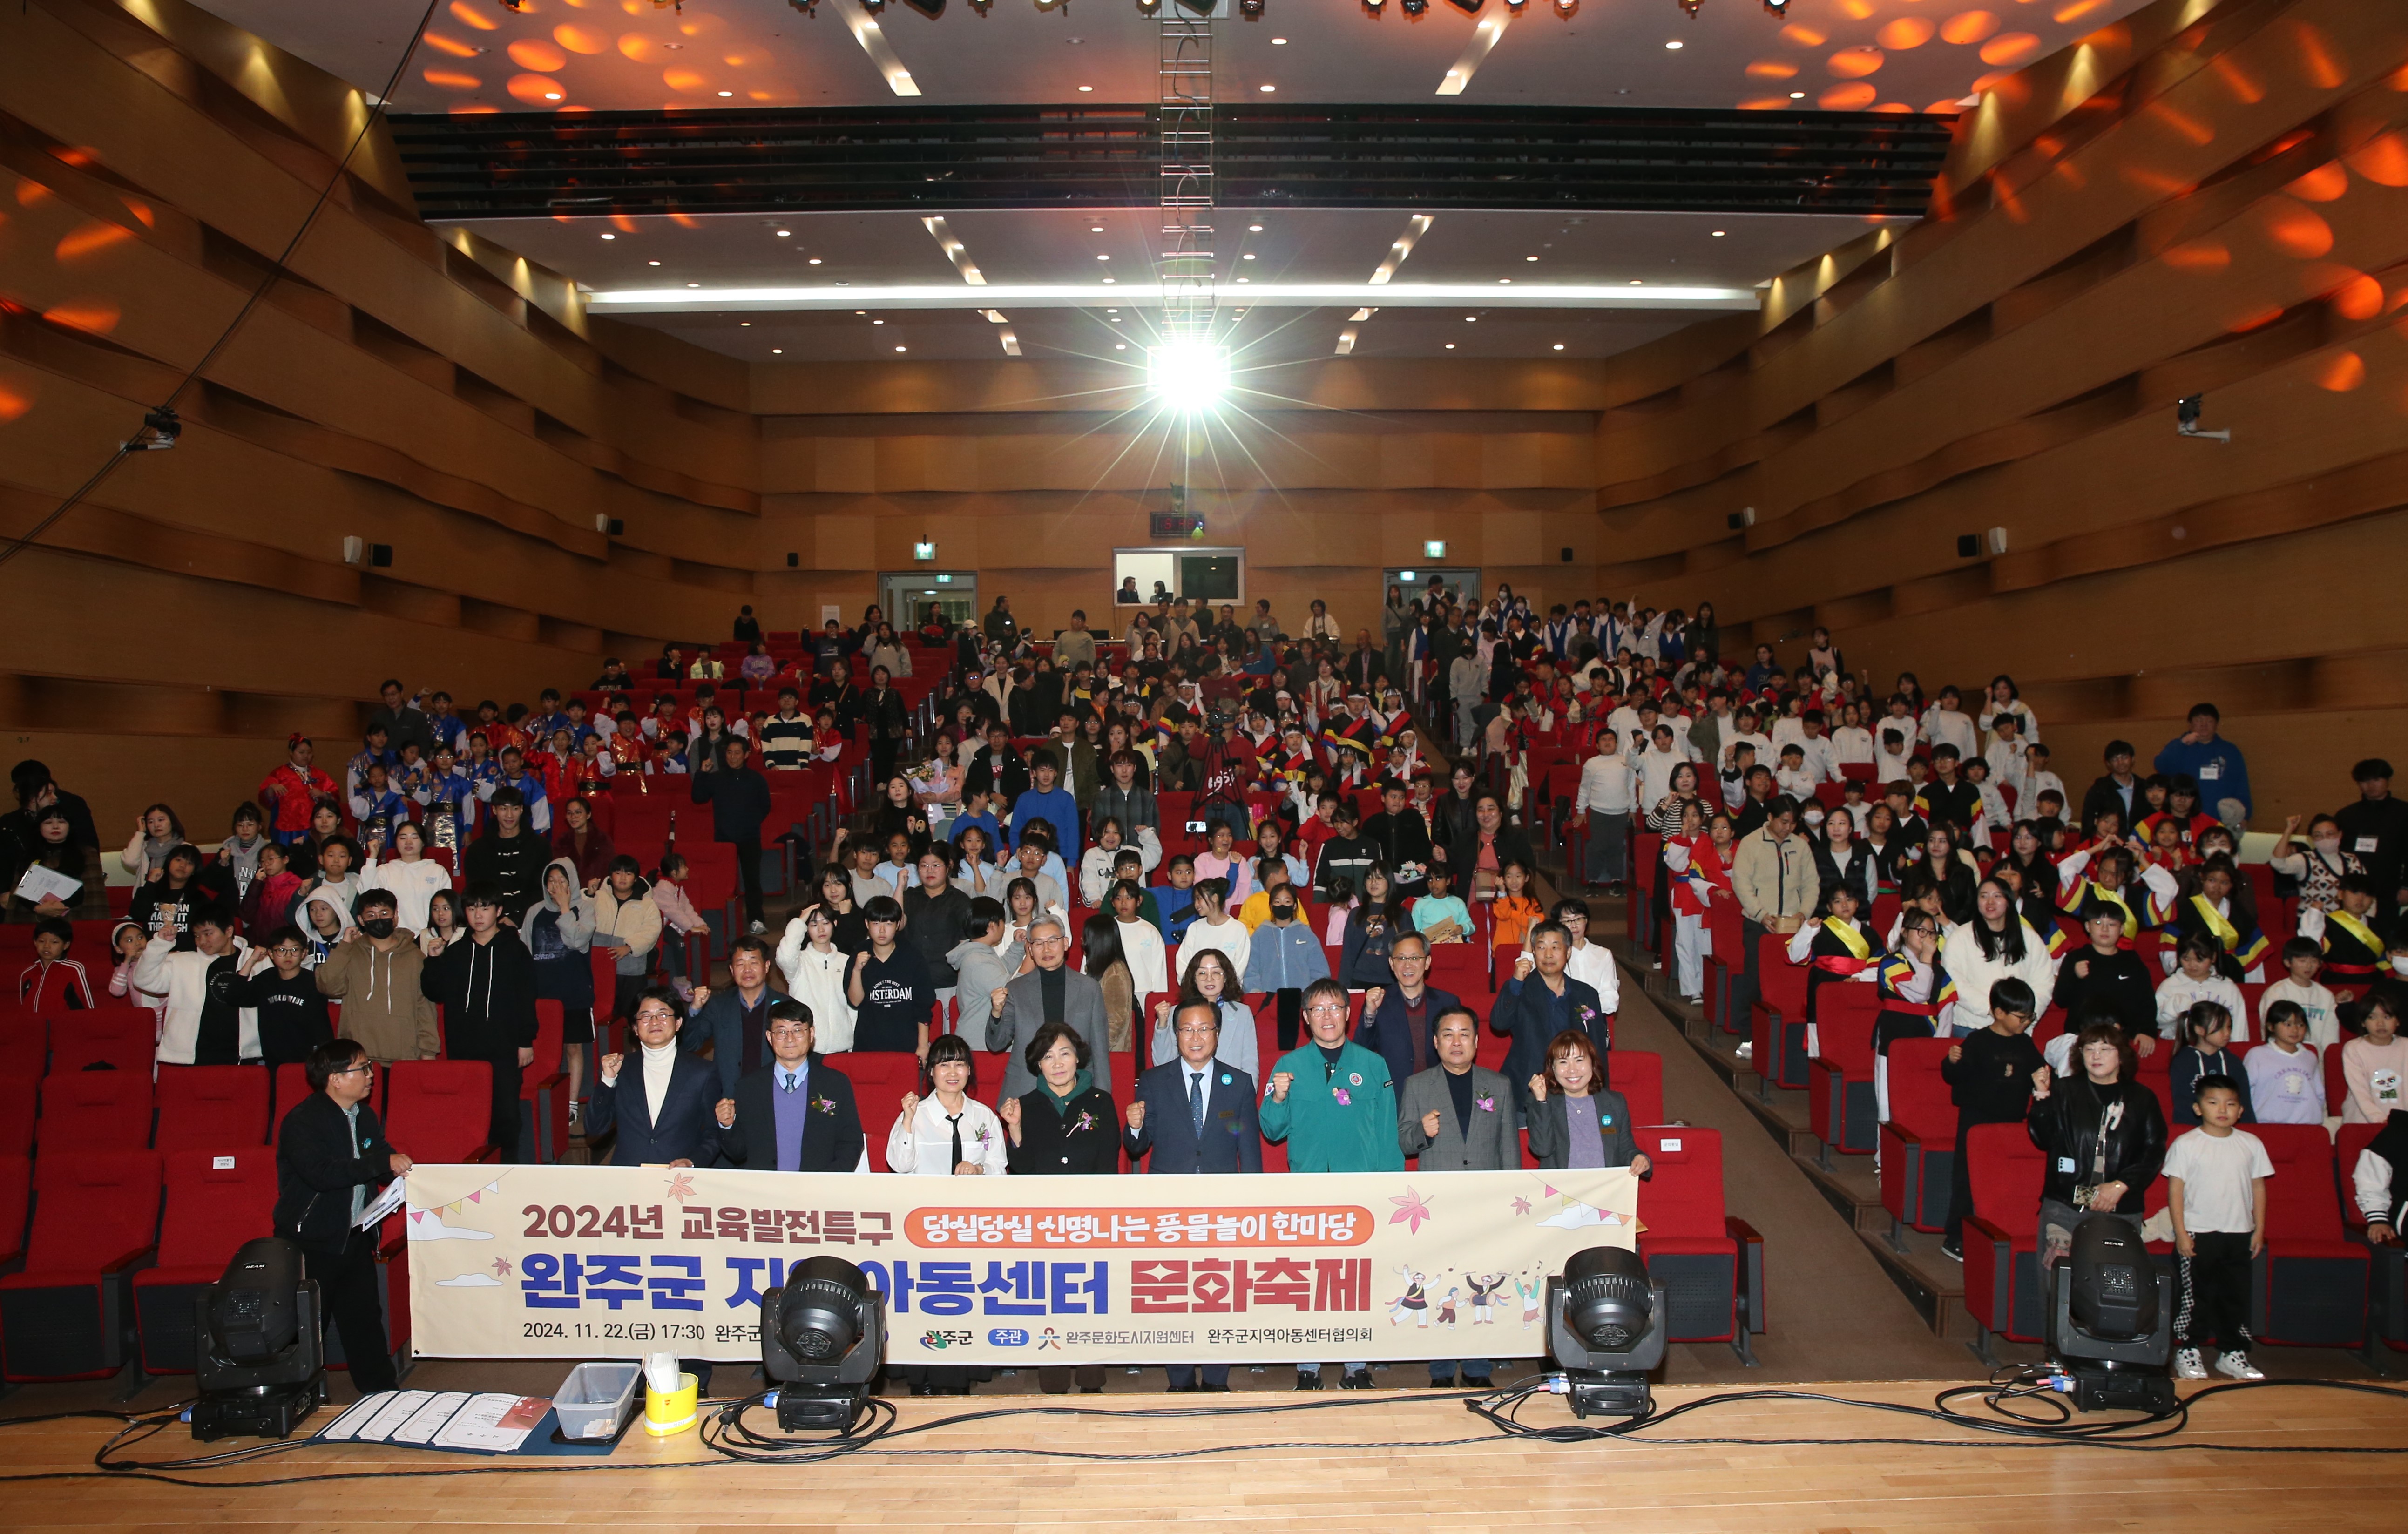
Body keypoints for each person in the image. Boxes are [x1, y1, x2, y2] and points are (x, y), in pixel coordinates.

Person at [1260, 978, 1401, 1390]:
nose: (1327, 1016)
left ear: (1348, 1013)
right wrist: (1279, 1097)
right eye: (1318, 1009)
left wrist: (1388, 1194)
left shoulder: (1373, 1065)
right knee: (1310, 1281)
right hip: (1308, 1193)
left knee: (1356, 1281)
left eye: (1334, 1007)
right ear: (1305, 1018)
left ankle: (1357, 1367)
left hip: (1360, 1193)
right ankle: (1308, 1367)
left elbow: (1388, 1133)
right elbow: (1271, 1130)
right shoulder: (1287, 1066)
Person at [273, 1039, 410, 1394]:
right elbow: (323, 1174)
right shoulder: (303, 1121)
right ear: (335, 1078)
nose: (370, 1075)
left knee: (364, 1320)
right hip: (311, 1241)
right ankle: (293, 1397)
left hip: (354, 1237)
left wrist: (400, 1168)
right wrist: (381, 1163)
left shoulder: (364, 1115)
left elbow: (378, 1155)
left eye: (369, 1067)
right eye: (362, 1068)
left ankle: (381, 1394)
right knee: (306, 1325)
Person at [1395, 1006, 1514, 1387]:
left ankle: (1479, 1369)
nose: (1457, 1042)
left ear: (1477, 1041)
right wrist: (1421, 1132)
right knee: (1444, 1286)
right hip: (1439, 1206)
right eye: (1448, 1034)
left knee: (1482, 1288)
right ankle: (1442, 1370)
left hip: (1485, 1206)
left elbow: (1509, 1151)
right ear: (1435, 1042)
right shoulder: (1418, 1085)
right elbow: (1403, 1140)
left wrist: (1509, 1205)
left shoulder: (1499, 1085)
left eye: (1465, 1034)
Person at [2028, 1018, 2168, 1267]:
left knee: (2113, 1286)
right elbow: (2043, 1139)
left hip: (2122, 1206)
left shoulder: (2142, 1098)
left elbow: (2153, 1152)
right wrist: (2041, 1098)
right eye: (2089, 1049)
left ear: (2122, 1055)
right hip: (2066, 1205)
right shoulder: (2064, 1090)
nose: (2096, 1055)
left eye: (2105, 1049)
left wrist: (2119, 1187)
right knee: (2058, 1287)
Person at [418, 881, 538, 1162]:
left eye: (485, 908)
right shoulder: (457, 952)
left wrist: (525, 1041)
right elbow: (434, 993)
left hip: (505, 1048)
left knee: (506, 1116)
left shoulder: (516, 950)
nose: (478, 915)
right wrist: (433, 961)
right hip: (464, 1048)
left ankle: (507, 1172)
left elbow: (526, 998)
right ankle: (471, 1176)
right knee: (468, 1114)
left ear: (498, 911)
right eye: (472, 908)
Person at [2163, 1074, 2272, 1380]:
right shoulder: (2187, 1144)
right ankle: (2188, 1348)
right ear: (2199, 1108)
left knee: (2234, 1294)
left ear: (2240, 1110)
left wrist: (2259, 1229)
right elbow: (2176, 1192)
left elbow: (2259, 1188)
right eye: (2213, 1102)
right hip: (2198, 1233)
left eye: (2231, 1103)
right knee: (2193, 1296)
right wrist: (2181, 1232)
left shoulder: (2251, 1143)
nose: (2222, 1109)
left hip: (2239, 1233)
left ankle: (2232, 1352)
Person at [1937, 977, 2047, 1262]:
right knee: (1967, 1179)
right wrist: (1951, 1061)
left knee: (2001, 1183)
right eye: (2022, 1017)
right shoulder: (1978, 1040)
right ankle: (1956, 1236)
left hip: (2011, 1122)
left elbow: (2041, 1075)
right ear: (1999, 1012)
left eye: (2030, 1017)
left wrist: (2044, 1080)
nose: (2026, 1022)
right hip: (1977, 1121)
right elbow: (1953, 1076)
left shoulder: (2026, 1044)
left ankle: (1995, 1232)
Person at [714, 998, 865, 1172]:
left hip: (818, 1190)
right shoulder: (749, 1087)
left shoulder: (835, 1083)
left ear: (812, 1034)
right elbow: (738, 1153)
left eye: (798, 1030)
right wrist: (727, 1125)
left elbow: (851, 1141)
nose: (790, 1039)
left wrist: (828, 1181)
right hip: (765, 1191)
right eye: (782, 1032)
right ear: (770, 1037)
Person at [588, 986, 723, 1168]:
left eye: (663, 1015)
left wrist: (692, 1162)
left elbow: (714, 1132)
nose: (654, 1022)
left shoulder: (702, 1072)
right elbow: (595, 1128)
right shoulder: (621, 1069)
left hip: (677, 1180)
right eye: (645, 1016)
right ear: (635, 1028)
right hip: (629, 1178)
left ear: (678, 1023)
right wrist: (608, 1081)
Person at [986, 915, 1110, 1101]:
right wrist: (996, 1013)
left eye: (1053, 941)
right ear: (1030, 949)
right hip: (1027, 1090)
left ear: (1066, 943)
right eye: (1038, 943)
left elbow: (1100, 1051)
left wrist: (1102, 1098)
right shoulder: (1016, 989)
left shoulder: (1089, 988)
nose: (1047, 949)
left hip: (1078, 1088)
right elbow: (996, 1044)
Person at [1494, 921, 1608, 1114]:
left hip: (1576, 1087)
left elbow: (1597, 1047)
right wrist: (1515, 983)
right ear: (1534, 953)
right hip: (1528, 1088)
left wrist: (1601, 1093)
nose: (1548, 955)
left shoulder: (1587, 994)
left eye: (1555, 947)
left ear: (1568, 952)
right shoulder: (1519, 989)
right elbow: (1499, 1023)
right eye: (1541, 947)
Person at [312, 890, 437, 1063]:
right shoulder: (350, 952)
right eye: (371, 915)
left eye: (385, 913)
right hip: (359, 1056)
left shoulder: (415, 957)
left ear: (395, 917)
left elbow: (424, 1007)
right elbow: (329, 987)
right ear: (361, 920)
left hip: (404, 1056)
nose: (379, 919)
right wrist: (344, 945)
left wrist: (428, 1051)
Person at [1525, 1028, 1653, 1177]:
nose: (1572, 1070)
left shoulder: (1614, 1102)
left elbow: (1625, 1149)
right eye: (1563, 1062)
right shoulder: (1542, 1103)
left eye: (1579, 1060)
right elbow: (1542, 1149)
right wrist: (1542, 1101)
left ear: (1592, 1062)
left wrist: (1639, 1158)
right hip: (1560, 1192)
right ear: (1553, 1068)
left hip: (1605, 1192)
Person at [136, 907, 256, 1065]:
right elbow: (144, 980)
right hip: (192, 1055)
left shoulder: (257, 960)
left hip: (243, 1054)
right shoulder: (182, 961)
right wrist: (161, 944)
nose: (202, 941)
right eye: (197, 936)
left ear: (228, 931)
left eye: (208, 934)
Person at [1942, 878, 2056, 1038]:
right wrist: (1993, 1010)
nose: (1990, 902)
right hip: (1972, 1025)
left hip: (2018, 1027)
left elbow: (2044, 982)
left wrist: (2021, 1017)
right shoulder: (1960, 937)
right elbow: (1954, 982)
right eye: (1983, 896)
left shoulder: (2029, 938)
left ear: (2009, 901)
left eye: (1997, 896)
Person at [690, 736, 772, 933]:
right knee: (724, 882)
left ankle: (756, 920)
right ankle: (723, 924)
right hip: (724, 840)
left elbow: (765, 807)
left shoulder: (756, 779)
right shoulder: (716, 777)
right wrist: (702, 773)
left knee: (752, 881)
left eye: (737, 753)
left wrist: (749, 823)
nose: (733, 757)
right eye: (729, 753)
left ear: (746, 755)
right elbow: (698, 798)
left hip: (749, 837)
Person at [233, 925, 336, 1068]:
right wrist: (251, 961)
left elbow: (322, 1027)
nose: (288, 955)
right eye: (281, 950)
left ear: (304, 953)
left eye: (295, 950)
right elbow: (235, 997)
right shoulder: (266, 979)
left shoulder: (313, 982)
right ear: (271, 953)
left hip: (308, 1062)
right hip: (272, 1061)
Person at [849, 895, 937, 1057]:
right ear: (867, 924)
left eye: (888, 924)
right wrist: (857, 970)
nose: (882, 930)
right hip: (868, 1046)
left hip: (907, 1045)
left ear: (897, 925)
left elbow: (923, 1006)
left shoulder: (913, 957)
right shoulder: (859, 954)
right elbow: (855, 1002)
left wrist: (923, 1045)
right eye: (876, 923)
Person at [2154, 703, 2250, 826]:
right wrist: (2182, 743)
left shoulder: (2230, 751)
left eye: (2209, 721)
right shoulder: (2178, 747)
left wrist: (2245, 815)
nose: (2204, 725)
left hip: (2220, 821)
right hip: (2183, 820)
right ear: (2190, 724)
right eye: (2199, 720)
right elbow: (2161, 766)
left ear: (2217, 725)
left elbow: (2241, 784)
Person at [2167, 1001, 2254, 1127]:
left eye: (2229, 1027)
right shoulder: (2184, 1061)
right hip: (2195, 1131)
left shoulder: (2233, 1062)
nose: (2227, 1033)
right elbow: (2183, 1104)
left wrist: (2249, 1129)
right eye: (2220, 1028)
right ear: (2200, 1030)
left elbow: (2244, 1100)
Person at [2246, 1001, 2322, 1125]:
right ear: (2271, 1027)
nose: (2295, 1030)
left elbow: (2319, 1094)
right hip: (2267, 1124)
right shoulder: (2257, 1055)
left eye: (2301, 1025)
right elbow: (2246, 1091)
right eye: (2288, 1024)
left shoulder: (2310, 1057)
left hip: (2307, 1126)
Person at [2342, 996, 2408, 1124]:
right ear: (2363, 1022)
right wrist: (2378, 1119)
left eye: (2387, 1017)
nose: (2380, 1024)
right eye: (2372, 1018)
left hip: (2402, 1123)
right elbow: (2359, 1091)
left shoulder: (2406, 1046)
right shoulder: (2354, 1048)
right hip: (2362, 1121)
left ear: (2398, 1021)